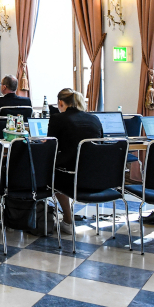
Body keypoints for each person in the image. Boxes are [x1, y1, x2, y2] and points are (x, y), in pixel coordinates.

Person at [48, 88, 103, 234]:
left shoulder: (57, 119)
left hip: (70, 179)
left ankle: (67, 219)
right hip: (97, 177)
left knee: (50, 170)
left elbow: (50, 146)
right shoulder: (94, 119)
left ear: (60, 102)